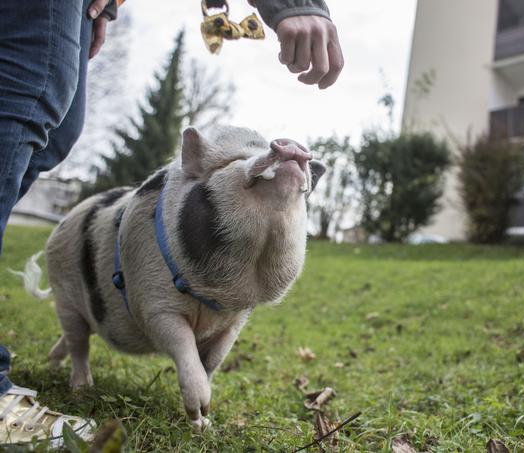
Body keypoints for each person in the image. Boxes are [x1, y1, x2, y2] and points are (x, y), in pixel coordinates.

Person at [0, 0, 343, 446]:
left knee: (57, 128)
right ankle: (53, 372)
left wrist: (103, 11)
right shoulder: (177, 200)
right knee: (31, 91)